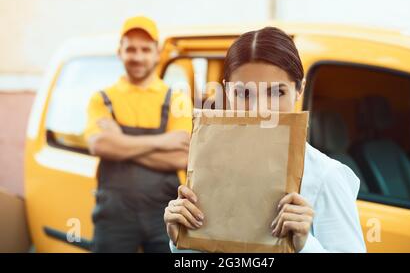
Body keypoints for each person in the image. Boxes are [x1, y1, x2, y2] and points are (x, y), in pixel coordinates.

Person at [164, 26, 366, 253]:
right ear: (227, 92)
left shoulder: (325, 176)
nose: (259, 109)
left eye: (276, 92)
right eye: (244, 93)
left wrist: (304, 244)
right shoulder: (210, 169)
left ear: (299, 90)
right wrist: (180, 240)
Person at [84, 16, 193, 252]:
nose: (138, 56)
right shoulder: (102, 98)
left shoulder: (176, 99)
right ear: (119, 52)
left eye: (145, 49)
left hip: (165, 215)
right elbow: (100, 146)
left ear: (157, 53)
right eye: (130, 49)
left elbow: (182, 158)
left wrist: (120, 143)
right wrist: (164, 141)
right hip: (113, 217)